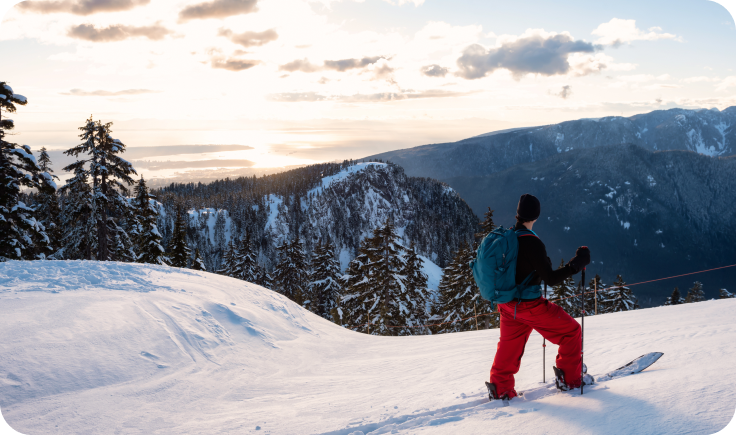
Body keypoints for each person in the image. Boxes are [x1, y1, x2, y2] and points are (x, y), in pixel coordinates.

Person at [488, 193, 593, 400]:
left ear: (518, 214)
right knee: (571, 332)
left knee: (508, 347)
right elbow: (551, 279)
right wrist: (575, 265)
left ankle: (499, 389)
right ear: (535, 216)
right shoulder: (532, 242)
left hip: (507, 305)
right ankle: (570, 379)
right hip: (529, 306)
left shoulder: (508, 238)